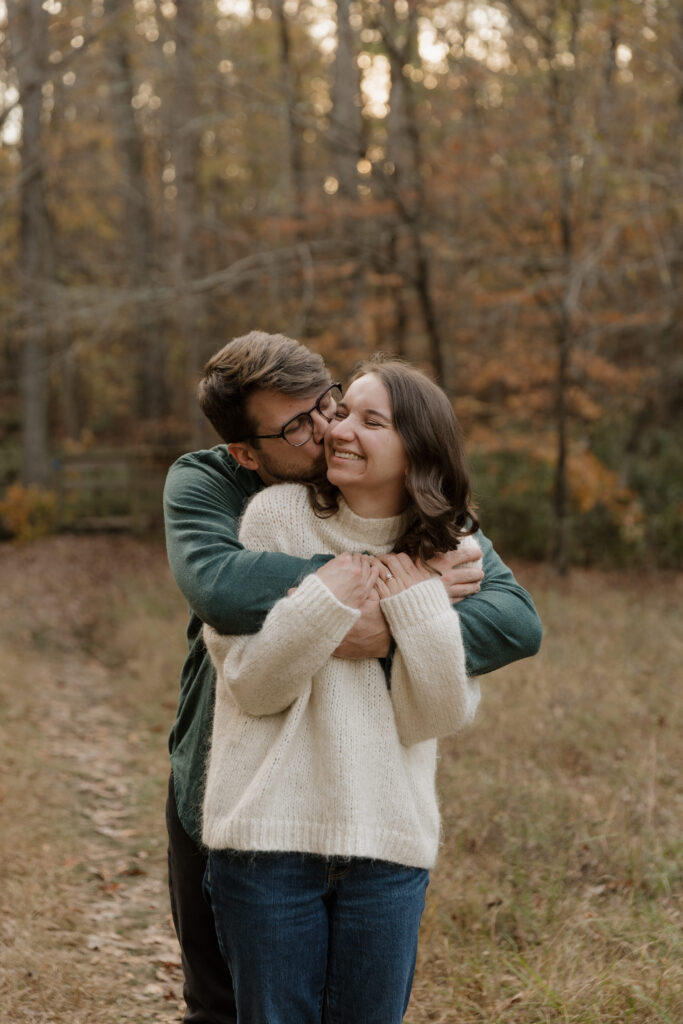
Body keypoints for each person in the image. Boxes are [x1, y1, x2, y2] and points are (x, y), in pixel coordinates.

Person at [163, 331, 543, 1024]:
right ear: (247, 453)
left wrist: (401, 616)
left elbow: (515, 623)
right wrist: (360, 596)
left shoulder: (430, 529)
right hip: (231, 772)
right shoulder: (220, 486)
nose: (327, 429)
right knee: (219, 1003)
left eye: (330, 405)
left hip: (379, 822)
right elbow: (218, 589)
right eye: (297, 425)